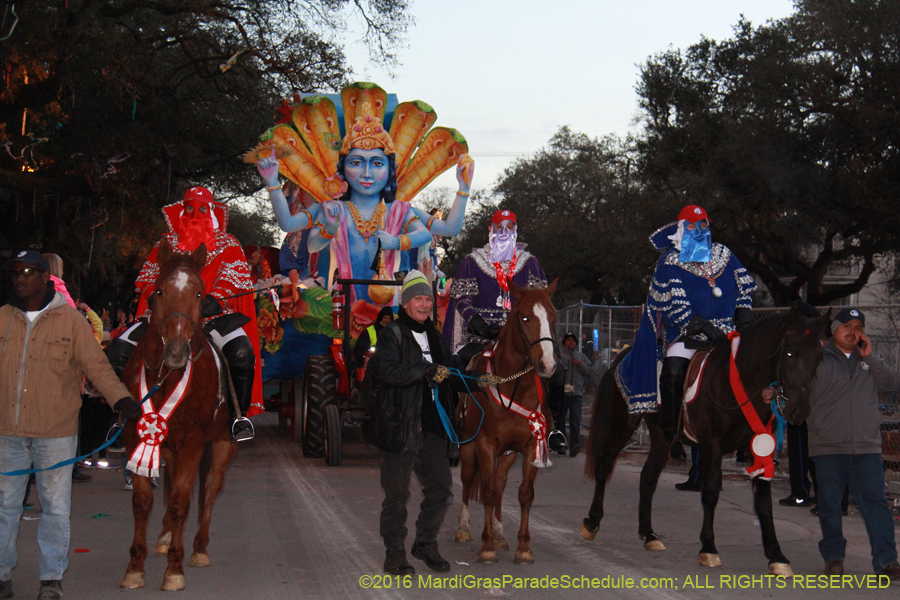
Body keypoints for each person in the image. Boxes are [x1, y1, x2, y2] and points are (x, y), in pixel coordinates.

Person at [254, 82, 473, 305]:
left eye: (377, 163)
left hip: (391, 308)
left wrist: (463, 190)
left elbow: (448, 229)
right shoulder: (331, 208)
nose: (367, 173)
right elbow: (292, 228)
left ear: (389, 170)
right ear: (343, 168)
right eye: (357, 162)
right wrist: (273, 183)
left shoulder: (399, 210)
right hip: (340, 307)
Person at [0, 250, 138, 600]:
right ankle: (2, 575)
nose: (19, 278)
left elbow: (97, 367)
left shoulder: (72, 321)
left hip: (55, 433)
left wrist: (121, 399)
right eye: (14, 272)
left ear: (45, 276)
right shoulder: (2, 318)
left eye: (27, 271)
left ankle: (51, 578)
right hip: (8, 433)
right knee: (4, 507)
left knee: (56, 508)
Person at [614, 205, 757, 491]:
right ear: (681, 228)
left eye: (703, 224)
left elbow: (744, 290)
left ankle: (751, 432)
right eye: (692, 226)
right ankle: (672, 429)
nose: (699, 230)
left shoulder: (725, 254)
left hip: (729, 334)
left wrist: (743, 318)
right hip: (688, 334)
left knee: (755, 372)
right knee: (673, 371)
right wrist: (706, 328)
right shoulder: (669, 261)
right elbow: (673, 306)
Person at [106, 187, 263, 441]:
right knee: (120, 348)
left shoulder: (228, 243)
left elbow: (233, 277)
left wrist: (214, 300)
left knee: (242, 352)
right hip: (165, 317)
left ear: (211, 211)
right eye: (189, 207)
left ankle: (238, 416)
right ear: (181, 210)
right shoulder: (165, 244)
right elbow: (148, 278)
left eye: (201, 208)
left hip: (212, 318)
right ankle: (120, 416)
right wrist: (156, 298)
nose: (194, 213)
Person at [369, 270, 472, 576]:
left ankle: (425, 543)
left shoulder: (434, 336)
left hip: (432, 428)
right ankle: (394, 554)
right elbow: (387, 372)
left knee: (441, 490)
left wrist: (479, 381)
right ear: (405, 303)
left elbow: (451, 371)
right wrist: (424, 371)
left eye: (428, 299)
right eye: (418, 299)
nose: (425, 305)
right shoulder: (392, 334)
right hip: (399, 428)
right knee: (397, 497)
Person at [807, 308, 900, 580]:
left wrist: (870, 356)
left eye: (858, 327)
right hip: (828, 445)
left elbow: (894, 384)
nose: (853, 331)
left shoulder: (869, 361)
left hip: (866, 447)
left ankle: (887, 561)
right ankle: (833, 556)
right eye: (847, 325)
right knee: (830, 504)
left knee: (876, 504)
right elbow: (794, 388)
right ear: (834, 329)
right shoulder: (816, 358)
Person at [443, 209, 547, 353]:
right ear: (490, 229)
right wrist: (480, 325)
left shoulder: (529, 263)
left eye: (509, 227)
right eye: (499, 227)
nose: (504, 232)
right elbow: (461, 299)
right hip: (480, 339)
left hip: (520, 339)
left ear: (515, 230)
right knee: (465, 365)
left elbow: (540, 302)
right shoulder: (472, 261)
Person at [559, 332, 592, 457]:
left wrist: (579, 363)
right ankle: (561, 444)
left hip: (576, 393)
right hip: (562, 393)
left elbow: (589, 370)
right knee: (561, 418)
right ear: (564, 342)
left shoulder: (581, 356)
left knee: (575, 418)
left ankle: (575, 445)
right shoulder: (559, 355)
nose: (570, 342)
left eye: (573, 340)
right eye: (568, 340)